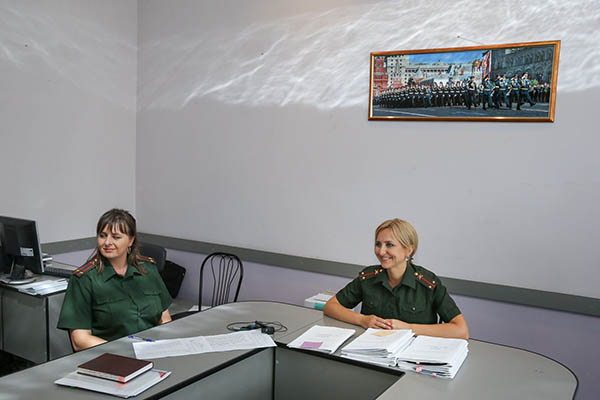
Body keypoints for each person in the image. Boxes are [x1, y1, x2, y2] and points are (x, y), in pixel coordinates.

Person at [323, 219, 469, 339]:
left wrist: (409, 328)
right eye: (378, 244)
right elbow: (331, 306)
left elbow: (461, 330)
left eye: (390, 245)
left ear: (409, 250)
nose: (381, 252)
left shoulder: (428, 283)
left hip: (413, 356)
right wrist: (363, 320)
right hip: (371, 351)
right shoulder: (368, 278)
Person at [58, 209, 172, 351]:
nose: (107, 242)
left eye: (116, 237)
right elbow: (80, 340)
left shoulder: (148, 269)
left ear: (130, 240)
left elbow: (164, 318)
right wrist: (124, 353)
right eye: (102, 236)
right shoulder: (84, 279)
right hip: (111, 356)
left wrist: (164, 347)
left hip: (152, 350)